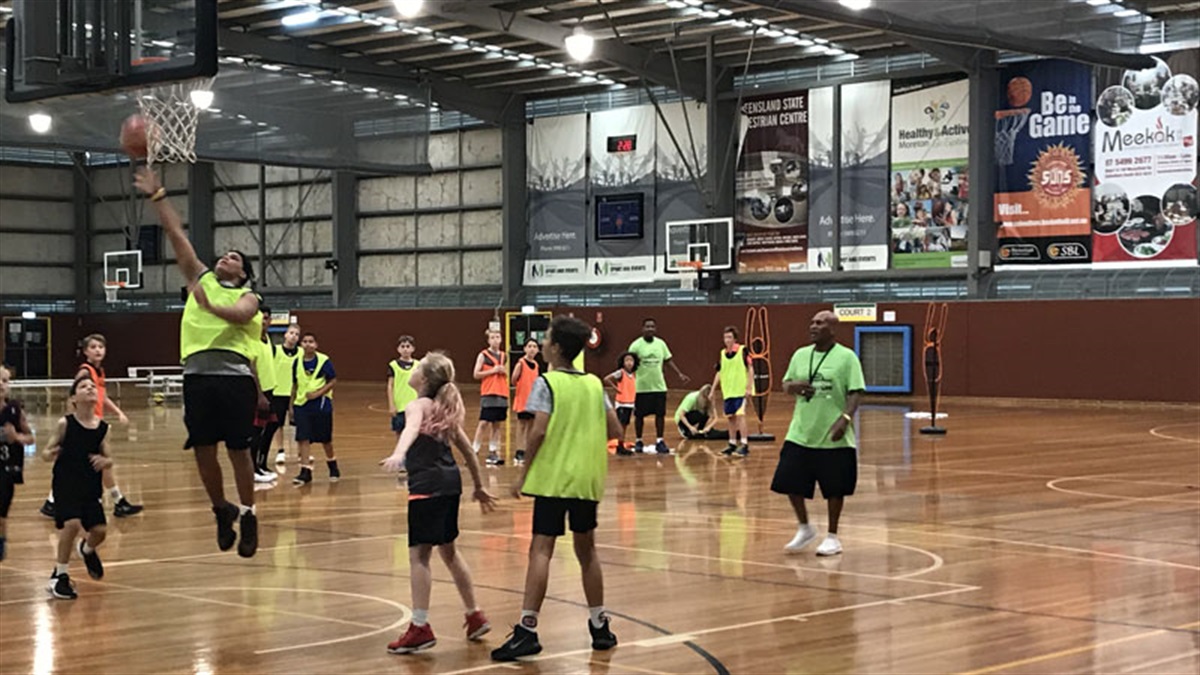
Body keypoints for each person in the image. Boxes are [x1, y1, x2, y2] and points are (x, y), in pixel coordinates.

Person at [135, 167, 260, 558]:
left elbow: (240, 314)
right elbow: (177, 235)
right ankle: (220, 510)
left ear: (244, 274)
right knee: (203, 450)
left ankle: (249, 514)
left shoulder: (251, 297)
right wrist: (158, 197)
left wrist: (211, 306)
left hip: (234, 379)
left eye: (236, 257)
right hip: (197, 377)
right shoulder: (200, 277)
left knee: (239, 451)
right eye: (226, 252)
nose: (228, 256)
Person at [491, 316, 621, 662]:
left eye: (547, 339)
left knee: (541, 550)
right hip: (586, 481)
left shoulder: (547, 383)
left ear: (558, 348)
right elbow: (616, 430)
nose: (543, 344)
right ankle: (600, 626)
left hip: (554, 480)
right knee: (587, 552)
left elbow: (537, 432)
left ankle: (528, 629)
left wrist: (523, 474)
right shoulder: (595, 385)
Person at [380, 352, 497, 653]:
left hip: (427, 487)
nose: (414, 368)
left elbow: (410, 427)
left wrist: (399, 452)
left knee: (419, 556)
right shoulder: (445, 411)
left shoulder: (417, 405)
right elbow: (470, 452)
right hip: (450, 486)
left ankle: (420, 626)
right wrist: (479, 486)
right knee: (450, 553)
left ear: (425, 379)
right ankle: (474, 615)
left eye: (419, 367)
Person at [773, 310, 865, 557]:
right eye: (812, 322)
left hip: (833, 435)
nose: (813, 326)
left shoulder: (847, 358)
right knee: (787, 481)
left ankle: (833, 537)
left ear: (833, 329)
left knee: (835, 489)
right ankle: (805, 528)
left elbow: (855, 392)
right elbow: (785, 383)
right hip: (801, 432)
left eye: (820, 323)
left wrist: (845, 419)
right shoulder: (801, 355)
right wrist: (793, 387)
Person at [41, 334, 143, 519]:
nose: (98, 350)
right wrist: (73, 423)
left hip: (94, 423)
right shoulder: (85, 372)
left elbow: (102, 396)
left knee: (95, 464)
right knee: (81, 464)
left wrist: (118, 412)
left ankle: (52, 502)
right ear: (86, 351)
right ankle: (118, 501)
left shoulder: (99, 372)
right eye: (93, 347)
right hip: (84, 425)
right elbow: (72, 395)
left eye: (101, 347)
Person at [43, 376, 112, 599]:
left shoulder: (103, 428)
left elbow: (108, 458)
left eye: (92, 386)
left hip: (90, 486)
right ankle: (59, 576)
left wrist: (105, 462)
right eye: (83, 386)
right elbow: (46, 451)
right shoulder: (65, 424)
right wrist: (50, 454)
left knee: (100, 531)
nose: (90, 388)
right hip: (66, 483)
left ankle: (87, 549)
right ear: (74, 398)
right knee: (71, 525)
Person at [628, 318, 690, 455]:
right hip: (641, 388)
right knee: (639, 416)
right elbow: (629, 364)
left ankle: (659, 441)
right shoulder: (635, 346)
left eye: (652, 327)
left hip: (659, 387)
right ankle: (639, 440)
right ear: (642, 328)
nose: (650, 329)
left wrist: (679, 374)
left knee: (660, 415)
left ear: (655, 329)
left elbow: (668, 360)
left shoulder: (661, 344)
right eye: (647, 326)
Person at [291, 332, 338, 486]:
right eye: (304, 341)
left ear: (316, 345)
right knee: (303, 438)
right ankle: (305, 471)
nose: (308, 344)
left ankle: (332, 465)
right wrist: (291, 406)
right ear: (301, 345)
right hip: (302, 405)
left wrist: (318, 393)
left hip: (321, 405)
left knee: (325, 439)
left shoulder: (324, 360)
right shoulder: (296, 362)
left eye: (311, 341)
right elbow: (295, 384)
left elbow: (333, 380)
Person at [0, 365, 33, 563]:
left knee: (2, 513)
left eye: (5, 381)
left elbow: (30, 438)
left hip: (7, 468)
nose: (1, 384)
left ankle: (2, 539)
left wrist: (17, 437)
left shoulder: (14, 409)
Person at [712, 326, 752, 456]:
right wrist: (713, 389)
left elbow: (750, 368)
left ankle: (745, 444)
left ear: (735, 339)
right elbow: (720, 372)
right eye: (725, 337)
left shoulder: (743, 350)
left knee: (740, 416)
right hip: (728, 391)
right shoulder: (722, 353)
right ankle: (732, 443)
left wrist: (749, 387)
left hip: (740, 390)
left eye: (729, 337)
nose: (727, 340)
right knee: (730, 418)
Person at [472, 329, 508, 466]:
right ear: (488, 340)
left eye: (497, 337)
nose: (495, 339)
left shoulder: (504, 356)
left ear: (501, 339)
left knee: (497, 424)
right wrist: (493, 370)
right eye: (492, 337)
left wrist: (503, 372)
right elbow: (476, 374)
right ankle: (474, 451)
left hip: (502, 392)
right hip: (488, 392)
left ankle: (493, 452)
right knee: (483, 423)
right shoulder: (483, 355)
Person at [251, 307, 278, 483]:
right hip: (257, 393)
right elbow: (252, 368)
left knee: (273, 425)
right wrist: (260, 395)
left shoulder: (268, 339)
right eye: (260, 318)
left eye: (266, 318)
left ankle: (262, 464)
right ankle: (252, 468)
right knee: (256, 430)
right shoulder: (252, 341)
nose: (263, 321)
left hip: (270, 390)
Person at [270, 324, 302, 466]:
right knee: (278, 424)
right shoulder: (275, 351)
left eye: (296, 334)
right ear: (285, 335)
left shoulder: (301, 353)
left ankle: (302, 453)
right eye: (291, 333)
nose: (293, 336)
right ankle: (280, 451)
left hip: (296, 394)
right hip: (278, 393)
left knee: (300, 424)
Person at [510, 338, 541, 466]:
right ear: (525, 349)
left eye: (534, 346)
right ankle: (519, 450)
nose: (532, 348)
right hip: (523, 399)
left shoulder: (536, 365)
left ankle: (528, 450)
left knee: (531, 426)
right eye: (529, 346)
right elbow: (513, 379)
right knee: (521, 425)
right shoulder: (521, 363)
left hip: (533, 401)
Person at [602, 352, 638, 456]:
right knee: (621, 425)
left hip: (630, 403)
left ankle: (621, 444)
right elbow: (607, 378)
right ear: (623, 362)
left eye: (631, 360)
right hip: (622, 403)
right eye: (627, 360)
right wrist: (615, 388)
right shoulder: (621, 373)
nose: (629, 363)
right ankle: (620, 446)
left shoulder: (634, 374)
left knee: (625, 425)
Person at [387, 335, 420, 440]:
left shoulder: (418, 365)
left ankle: (413, 454)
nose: (405, 349)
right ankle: (400, 454)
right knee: (399, 431)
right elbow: (390, 385)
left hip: (414, 404)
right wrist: (391, 404)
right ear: (398, 349)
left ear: (413, 348)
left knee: (415, 431)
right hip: (400, 405)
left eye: (408, 346)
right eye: (403, 346)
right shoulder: (393, 365)